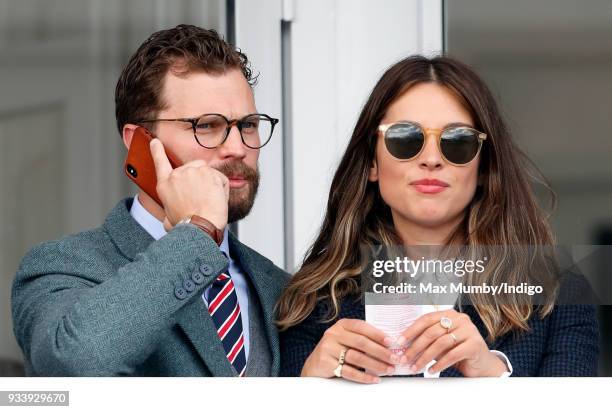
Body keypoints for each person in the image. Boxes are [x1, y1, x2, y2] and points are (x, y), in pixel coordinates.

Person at [276, 55, 599, 381]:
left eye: (457, 142)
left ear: (484, 166)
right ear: (371, 163)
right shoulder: (315, 301)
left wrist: (490, 376)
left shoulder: (559, 296)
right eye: (405, 138)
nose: (431, 159)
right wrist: (309, 387)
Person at [12, 24, 289, 377]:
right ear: (139, 142)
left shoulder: (281, 289)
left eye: (248, 125)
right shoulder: (62, 266)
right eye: (206, 125)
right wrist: (197, 235)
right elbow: (74, 364)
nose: (237, 147)